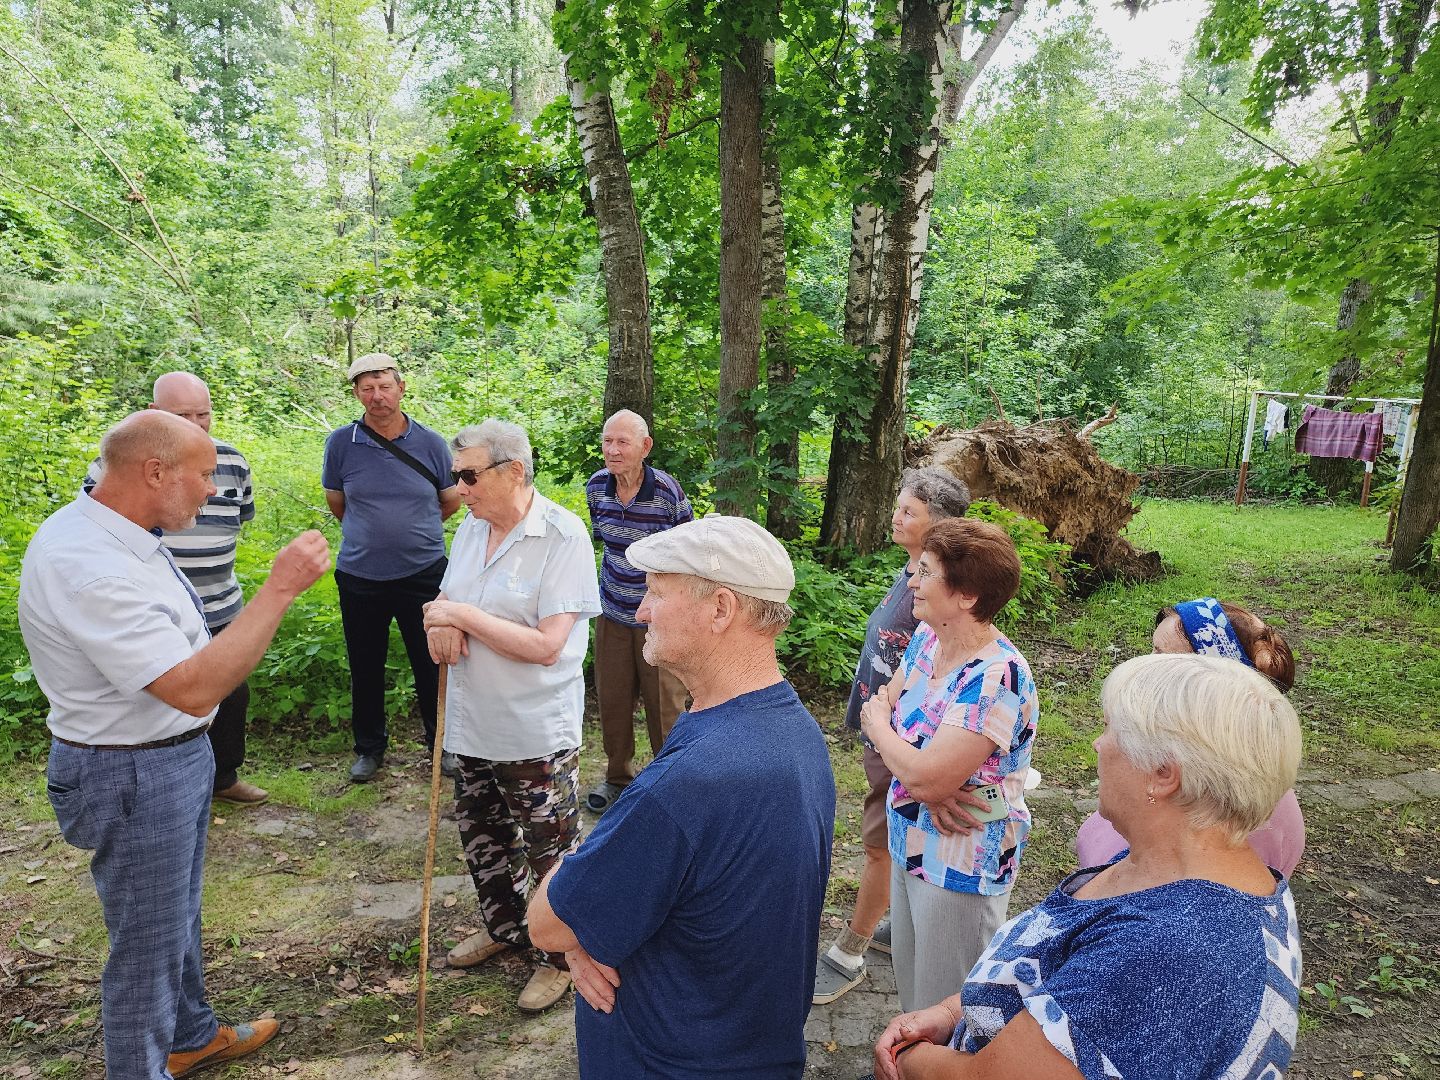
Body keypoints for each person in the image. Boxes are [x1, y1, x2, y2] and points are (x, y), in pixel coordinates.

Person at [19, 411, 331, 1079]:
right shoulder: (88, 565)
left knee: (175, 919)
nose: (213, 490)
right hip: (131, 773)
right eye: (203, 474)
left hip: (169, 758)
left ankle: (189, 1036)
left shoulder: (122, 532)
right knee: (146, 952)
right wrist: (278, 590)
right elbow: (191, 688)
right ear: (154, 472)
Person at [870, 654, 1303, 1080]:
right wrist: (951, 1011)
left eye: (1110, 728)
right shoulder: (1176, 869)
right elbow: (1055, 974)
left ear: (1163, 774)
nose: (1098, 743)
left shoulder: (1169, 950)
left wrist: (907, 1058)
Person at [526, 516, 835, 1079]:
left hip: (674, 1062)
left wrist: (582, 914)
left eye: (656, 592)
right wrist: (587, 917)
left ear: (720, 609)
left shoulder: (691, 782)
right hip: (747, 1044)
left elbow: (547, 924)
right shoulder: (792, 728)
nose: (640, 611)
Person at [422, 419, 601, 1011]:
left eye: (469, 476)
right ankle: (506, 931)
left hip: (533, 729)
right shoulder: (472, 530)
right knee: (484, 840)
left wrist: (461, 621)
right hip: (473, 720)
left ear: (513, 471)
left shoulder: (562, 536)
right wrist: (438, 622)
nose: (460, 490)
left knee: (551, 848)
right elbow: (447, 603)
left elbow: (547, 644)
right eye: (457, 477)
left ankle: (562, 957)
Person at [859, 517, 1037, 1014]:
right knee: (912, 1000)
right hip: (910, 840)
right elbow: (886, 699)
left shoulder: (995, 678)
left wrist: (886, 738)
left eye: (926, 571)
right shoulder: (929, 639)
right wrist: (916, 766)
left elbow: (924, 773)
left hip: (961, 865)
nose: (911, 581)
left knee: (947, 1013)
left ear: (967, 596)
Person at [815, 467, 974, 1005]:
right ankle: (895, 923)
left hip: (903, 744)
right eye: (899, 507)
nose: (895, 517)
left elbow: (948, 677)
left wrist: (920, 753)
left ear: (940, 526)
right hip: (882, 731)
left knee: (879, 843)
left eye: (910, 511)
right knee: (890, 836)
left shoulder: (939, 596)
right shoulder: (911, 573)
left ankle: (850, 952)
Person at [84, 372, 266, 806]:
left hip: (221, 605)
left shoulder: (233, 461)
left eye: (203, 414)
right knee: (169, 698)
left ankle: (223, 777)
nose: (196, 424)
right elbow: (101, 529)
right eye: (183, 415)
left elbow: (240, 518)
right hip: (155, 612)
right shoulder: (117, 467)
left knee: (232, 694)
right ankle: (175, 790)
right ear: (153, 414)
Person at [1076, 598, 1305, 877]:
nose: (1142, 666)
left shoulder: (1225, 802)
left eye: (1161, 658)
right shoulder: (1182, 758)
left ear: (1203, 684)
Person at [321, 353, 461, 783]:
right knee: (365, 664)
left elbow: (451, 497)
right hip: (361, 574)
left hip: (424, 572)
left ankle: (442, 745)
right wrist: (373, 533)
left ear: (401, 388)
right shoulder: (341, 443)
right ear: (356, 394)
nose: (377, 396)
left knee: (432, 660)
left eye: (384, 386)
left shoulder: (432, 443)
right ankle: (369, 749)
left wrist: (415, 531)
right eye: (367, 388)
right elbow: (336, 500)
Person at [583, 409, 693, 814]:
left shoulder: (666, 491)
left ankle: (672, 782)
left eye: (622, 442)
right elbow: (604, 543)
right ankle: (617, 778)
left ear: (645, 447)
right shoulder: (597, 487)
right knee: (612, 699)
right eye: (607, 441)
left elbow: (686, 551)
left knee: (665, 703)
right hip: (612, 612)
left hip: (660, 616)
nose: (612, 450)